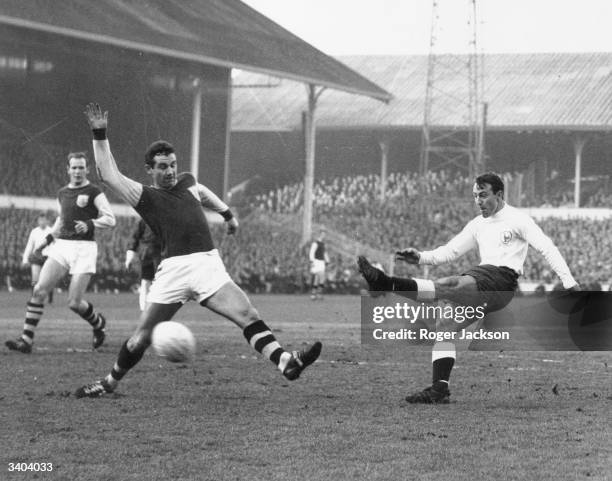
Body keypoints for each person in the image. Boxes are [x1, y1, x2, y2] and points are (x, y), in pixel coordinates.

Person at [75, 103, 321, 398]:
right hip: (174, 270)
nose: (169, 171)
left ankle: (285, 362)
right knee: (139, 339)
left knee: (247, 313)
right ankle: (108, 383)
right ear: (149, 170)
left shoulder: (187, 181)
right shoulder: (144, 195)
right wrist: (99, 133)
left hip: (208, 264)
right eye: (163, 167)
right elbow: (108, 173)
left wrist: (227, 213)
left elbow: (201, 192)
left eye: (173, 165)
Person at [358, 172, 579, 404]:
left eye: (483, 195)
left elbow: (547, 248)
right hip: (483, 281)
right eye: (475, 196)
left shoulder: (519, 220)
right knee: (444, 325)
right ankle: (439, 389)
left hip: (500, 280)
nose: (478, 201)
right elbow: (449, 251)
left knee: (450, 284)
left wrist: (569, 282)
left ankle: (385, 283)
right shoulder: (477, 225)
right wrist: (421, 257)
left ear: (499, 194)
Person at [6, 152, 116, 354]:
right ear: (68, 169)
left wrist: (91, 223)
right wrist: (46, 241)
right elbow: (61, 220)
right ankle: (26, 340)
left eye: (81, 167)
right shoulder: (62, 193)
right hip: (63, 246)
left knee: (74, 303)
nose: (77, 171)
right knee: (39, 290)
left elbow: (111, 219)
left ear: (87, 169)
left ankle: (99, 323)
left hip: (84, 249)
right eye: (74, 167)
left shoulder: (94, 191)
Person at [125, 217, 162, 311]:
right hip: (148, 255)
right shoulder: (144, 220)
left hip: (158, 255)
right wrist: (129, 256)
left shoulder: (165, 218)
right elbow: (135, 238)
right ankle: (145, 311)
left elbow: (134, 238)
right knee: (146, 283)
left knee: (156, 283)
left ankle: (152, 310)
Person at [21, 213, 55, 303]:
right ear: (38, 221)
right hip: (36, 257)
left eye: (44, 220)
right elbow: (29, 246)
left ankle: (50, 300)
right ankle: (33, 298)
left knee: (48, 280)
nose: (42, 222)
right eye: (40, 220)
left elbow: (56, 246)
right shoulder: (34, 232)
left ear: (47, 221)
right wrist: (25, 259)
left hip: (48, 257)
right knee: (35, 278)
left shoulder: (51, 231)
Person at [309, 229, 329, 300]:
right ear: (320, 234)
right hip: (316, 262)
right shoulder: (315, 243)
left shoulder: (323, 244)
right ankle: (319, 294)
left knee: (317, 279)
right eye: (322, 234)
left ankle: (313, 295)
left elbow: (324, 253)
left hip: (322, 262)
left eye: (324, 234)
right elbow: (311, 252)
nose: (324, 236)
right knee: (322, 277)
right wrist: (311, 262)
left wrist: (327, 260)